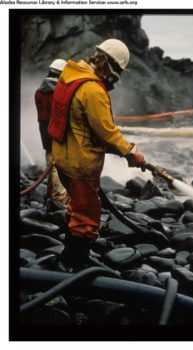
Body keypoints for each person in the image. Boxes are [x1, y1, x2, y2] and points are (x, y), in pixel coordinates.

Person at [48, 39, 145, 268]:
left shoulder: (70, 76)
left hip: (63, 157)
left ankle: (68, 258)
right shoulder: (92, 89)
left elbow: (80, 123)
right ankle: (75, 265)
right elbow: (106, 131)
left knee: (77, 206)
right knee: (87, 215)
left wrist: (119, 150)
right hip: (81, 164)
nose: (115, 80)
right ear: (109, 66)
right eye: (117, 73)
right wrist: (131, 152)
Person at [35, 59, 69, 205]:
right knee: (58, 165)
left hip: (44, 132)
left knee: (50, 159)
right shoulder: (58, 92)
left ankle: (50, 195)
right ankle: (58, 199)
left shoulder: (39, 90)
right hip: (56, 132)